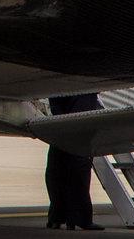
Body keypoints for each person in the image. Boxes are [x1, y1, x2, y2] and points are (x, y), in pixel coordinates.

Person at [43, 92, 101, 230]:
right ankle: (78, 217)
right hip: (82, 91)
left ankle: (57, 216)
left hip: (59, 91)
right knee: (78, 161)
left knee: (58, 161)